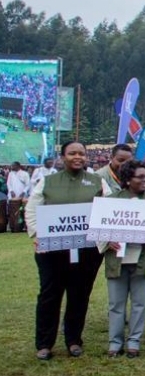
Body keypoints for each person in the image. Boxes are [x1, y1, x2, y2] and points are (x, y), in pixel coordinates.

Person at [24, 141, 110, 360]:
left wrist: (103, 239)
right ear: (63, 157)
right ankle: (44, 343)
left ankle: (73, 340)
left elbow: (109, 210)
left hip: (86, 250)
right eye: (72, 153)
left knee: (79, 295)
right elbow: (32, 210)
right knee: (49, 295)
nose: (77, 157)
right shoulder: (48, 181)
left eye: (81, 153)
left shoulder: (97, 181)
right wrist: (37, 235)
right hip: (52, 250)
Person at [100, 160, 145, 357]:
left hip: (144, 258)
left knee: (139, 304)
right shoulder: (111, 200)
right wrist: (107, 240)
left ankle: (134, 341)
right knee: (116, 304)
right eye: (140, 177)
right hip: (118, 260)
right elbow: (99, 226)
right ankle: (115, 343)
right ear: (127, 180)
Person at [5, 161, 30, 232]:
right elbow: (8, 183)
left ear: (18, 166)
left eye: (13, 166)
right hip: (12, 196)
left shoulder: (25, 173)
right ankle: (13, 226)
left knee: (22, 211)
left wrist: (24, 192)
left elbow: (28, 184)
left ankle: (23, 226)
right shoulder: (11, 174)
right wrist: (11, 191)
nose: (12, 167)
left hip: (22, 195)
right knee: (12, 211)